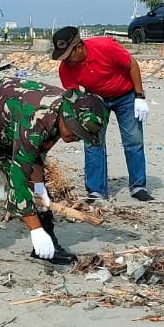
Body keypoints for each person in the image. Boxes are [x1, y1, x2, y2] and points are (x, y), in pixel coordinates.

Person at [0, 77, 108, 277]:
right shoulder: (36, 118)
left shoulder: (60, 114)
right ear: (66, 117)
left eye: (81, 136)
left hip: (1, 125)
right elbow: (18, 181)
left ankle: (48, 246)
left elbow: (34, 158)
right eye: (75, 132)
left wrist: (40, 188)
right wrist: (35, 230)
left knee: (35, 189)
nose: (74, 139)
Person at [53, 26, 153, 202]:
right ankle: (96, 190)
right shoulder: (65, 69)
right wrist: (79, 122)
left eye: (68, 55)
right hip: (95, 98)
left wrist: (139, 96)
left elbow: (132, 65)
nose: (66, 61)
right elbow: (74, 97)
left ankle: (138, 186)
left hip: (126, 95)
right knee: (93, 142)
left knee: (133, 141)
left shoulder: (105, 47)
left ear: (78, 47)